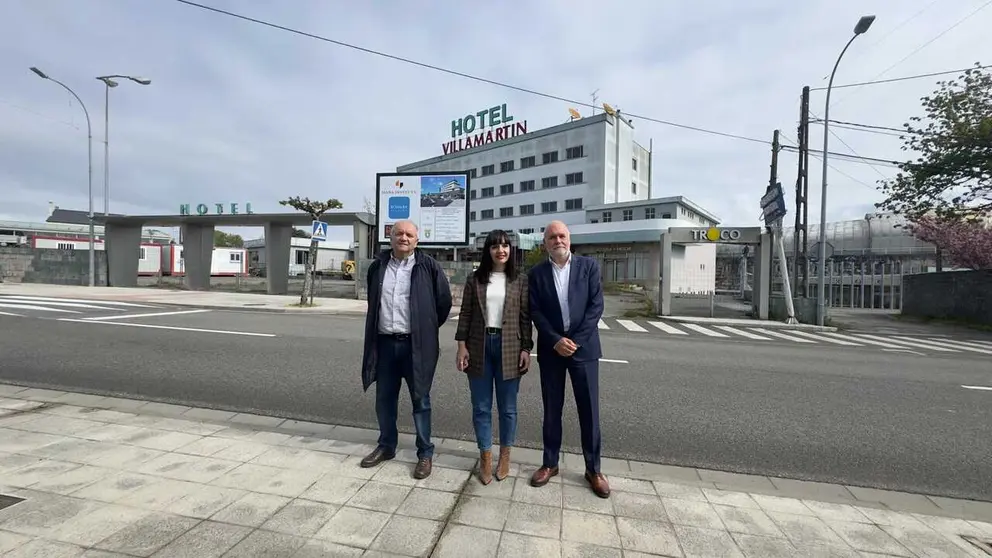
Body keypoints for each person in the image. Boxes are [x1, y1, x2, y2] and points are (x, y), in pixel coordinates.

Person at [359, 219, 452, 479]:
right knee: (384, 400)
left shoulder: (429, 267)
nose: (404, 238)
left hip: (416, 346)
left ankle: (425, 453)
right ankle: (387, 445)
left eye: (409, 234)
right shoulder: (378, 267)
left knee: (420, 400)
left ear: (417, 240)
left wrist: (425, 327)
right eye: (399, 233)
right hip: (386, 344)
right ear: (390, 236)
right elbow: (373, 301)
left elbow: (443, 304)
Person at [527, 220, 610, 498]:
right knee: (552, 410)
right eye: (552, 237)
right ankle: (550, 464)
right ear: (545, 243)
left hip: (583, 350)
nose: (557, 241)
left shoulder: (588, 267)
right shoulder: (537, 273)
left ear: (569, 239)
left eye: (561, 236)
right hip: (552, 351)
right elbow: (535, 311)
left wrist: (576, 341)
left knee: (589, 412)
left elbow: (596, 306)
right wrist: (555, 340)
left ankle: (593, 469)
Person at [454, 230, 533, 485]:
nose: (501, 250)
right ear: (487, 251)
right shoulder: (475, 279)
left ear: (511, 250)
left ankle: (505, 457)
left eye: (505, 246)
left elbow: (525, 318)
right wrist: (461, 346)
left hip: (510, 346)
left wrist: (526, 348)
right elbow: (465, 314)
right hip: (480, 345)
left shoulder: (520, 280)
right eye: (495, 246)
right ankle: (486, 456)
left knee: (508, 409)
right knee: (481, 407)